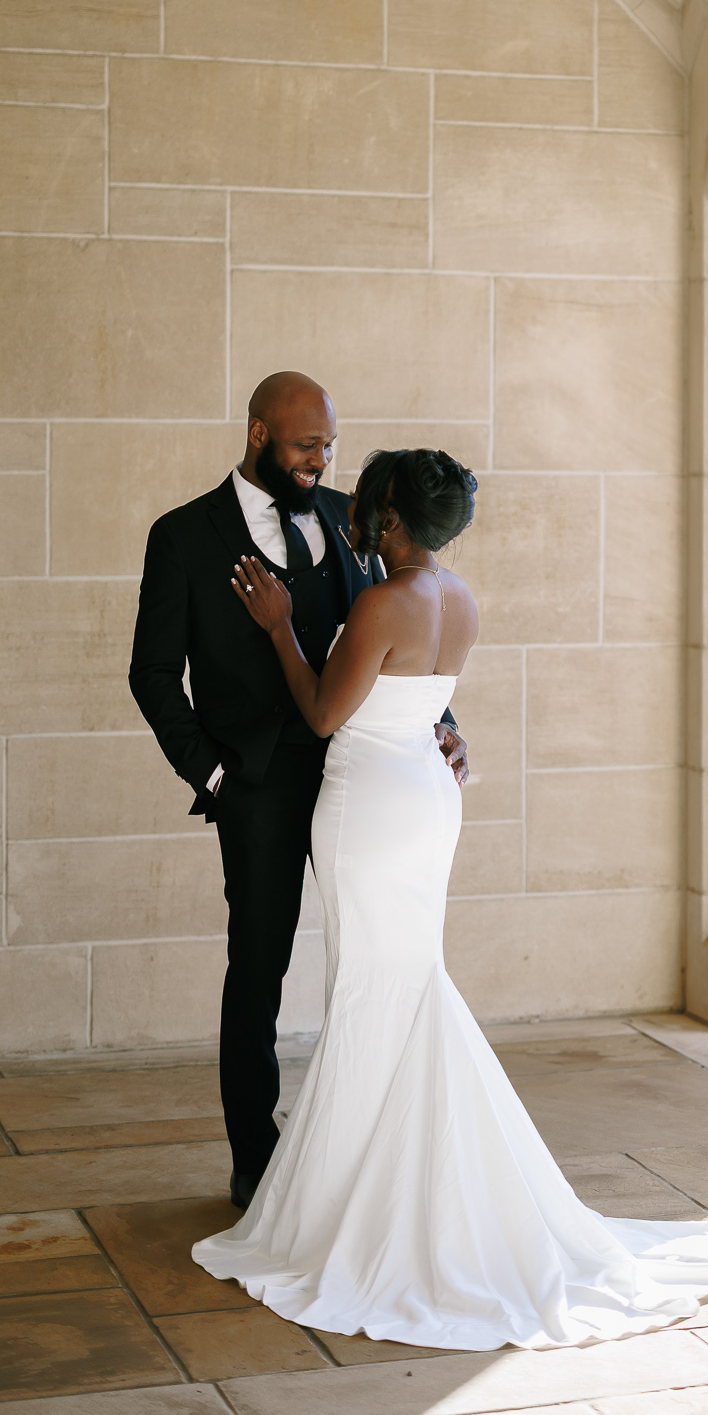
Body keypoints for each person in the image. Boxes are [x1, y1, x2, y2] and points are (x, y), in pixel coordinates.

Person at [192, 447, 708, 1350]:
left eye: (373, 508)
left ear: (390, 522)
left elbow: (321, 713)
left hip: (372, 807)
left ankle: (370, 1200)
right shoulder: (457, 598)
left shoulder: (383, 601)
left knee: (370, 987)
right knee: (402, 982)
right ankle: (407, 1178)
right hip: (423, 799)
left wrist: (278, 625)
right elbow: (423, 700)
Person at [127, 373, 466, 1211]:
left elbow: (399, 624)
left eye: (329, 446)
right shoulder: (183, 537)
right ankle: (257, 1157)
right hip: (260, 788)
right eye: (306, 446)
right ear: (256, 435)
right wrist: (211, 774)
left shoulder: (353, 517)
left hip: (362, 780)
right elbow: (151, 675)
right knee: (261, 966)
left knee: (372, 956)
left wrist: (441, 715)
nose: (322, 461)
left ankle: (367, 1142)